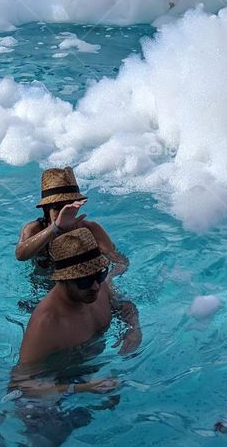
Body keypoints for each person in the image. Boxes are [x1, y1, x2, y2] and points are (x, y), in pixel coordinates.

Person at [11, 225, 140, 395]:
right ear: (63, 280)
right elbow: (20, 384)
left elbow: (125, 306)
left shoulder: (101, 286)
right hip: (53, 386)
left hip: (88, 371)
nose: (95, 286)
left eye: (99, 274)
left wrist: (134, 328)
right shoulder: (47, 323)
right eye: (84, 281)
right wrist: (83, 388)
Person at [15, 168, 125, 271]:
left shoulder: (90, 229)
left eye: (70, 206)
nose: (65, 212)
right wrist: (55, 228)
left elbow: (119, 262)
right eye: (58, 207)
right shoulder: (34, 229)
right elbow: (20, 255)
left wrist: (107, 278)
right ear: (46, 208)